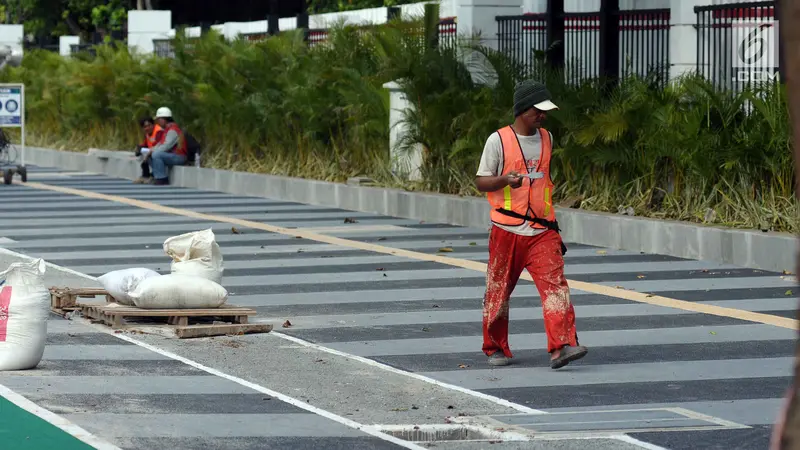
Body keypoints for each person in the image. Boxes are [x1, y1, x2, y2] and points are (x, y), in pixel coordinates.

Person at [475, 79, 588, 370]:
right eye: (538, 110)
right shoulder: (498, 140)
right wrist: (504, 179)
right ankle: (495, 348)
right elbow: (481, 182)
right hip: (506, 230)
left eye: (545, 111)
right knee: (498, 291)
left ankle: (561, 347)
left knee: (556, 288)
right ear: (523, 110)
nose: (543, 116)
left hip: (543, 231)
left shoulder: (547, 138)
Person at [146, 107, 187, 185]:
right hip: (171, 155)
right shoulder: (167, 129)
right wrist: (151, 150)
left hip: (179, 156)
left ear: (163, 119)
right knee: (151, 154)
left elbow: (166, 146)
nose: (157, 122)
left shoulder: (172, 130)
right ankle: (156, 175)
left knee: (156, 154)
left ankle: (162, 179)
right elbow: (161, 143)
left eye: (158, 119)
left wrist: (153, 151)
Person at [134, 117, 163, 184]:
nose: (147, 128)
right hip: (152, 151)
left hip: (159, 151)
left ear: (153, 124)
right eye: (145, 127)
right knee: (140, 151)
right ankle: (145, 175)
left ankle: (152, 175)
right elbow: (146, 144)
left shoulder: (158, 131)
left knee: (149, 154)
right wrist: (139, 147)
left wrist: (148, 150)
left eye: (149, 125)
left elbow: (159, 145)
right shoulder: (148, 133)